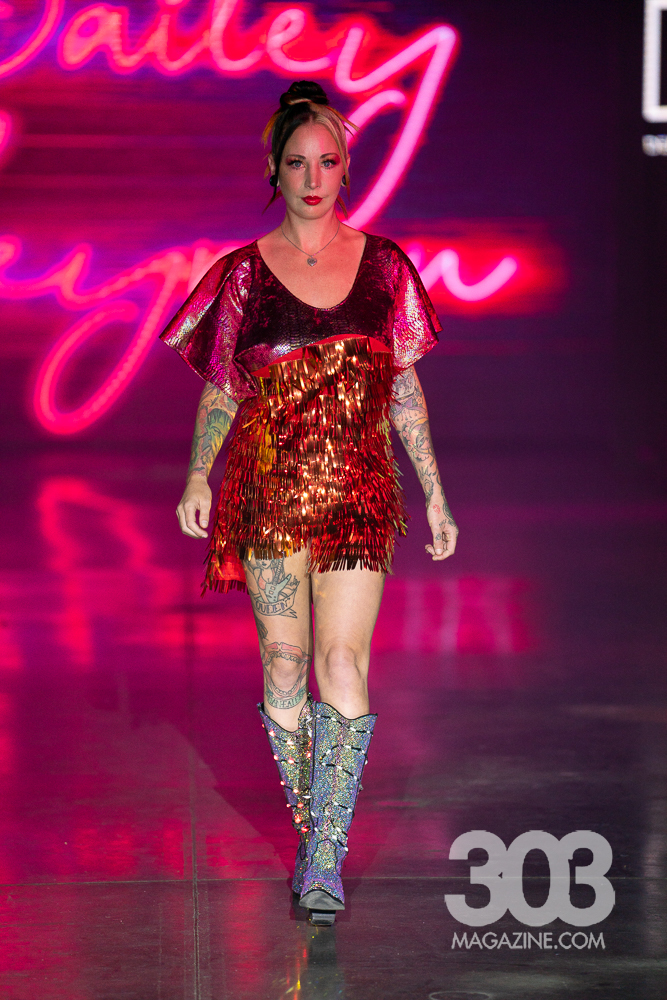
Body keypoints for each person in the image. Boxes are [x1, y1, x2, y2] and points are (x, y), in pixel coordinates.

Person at [160, 80, 458, 924]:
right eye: (297, 163)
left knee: (343, 664)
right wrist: (197, 474)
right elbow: (222, 386)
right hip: (266, 494)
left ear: (345, 168)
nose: (313, 177)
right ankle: (310, 823)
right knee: (286, 667)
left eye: (327, 162)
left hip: (359, 492)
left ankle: (324, 849)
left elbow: (404, 390)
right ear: (274, 171)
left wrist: (435, 495)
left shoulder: (386, 266)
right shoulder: (242, 276)